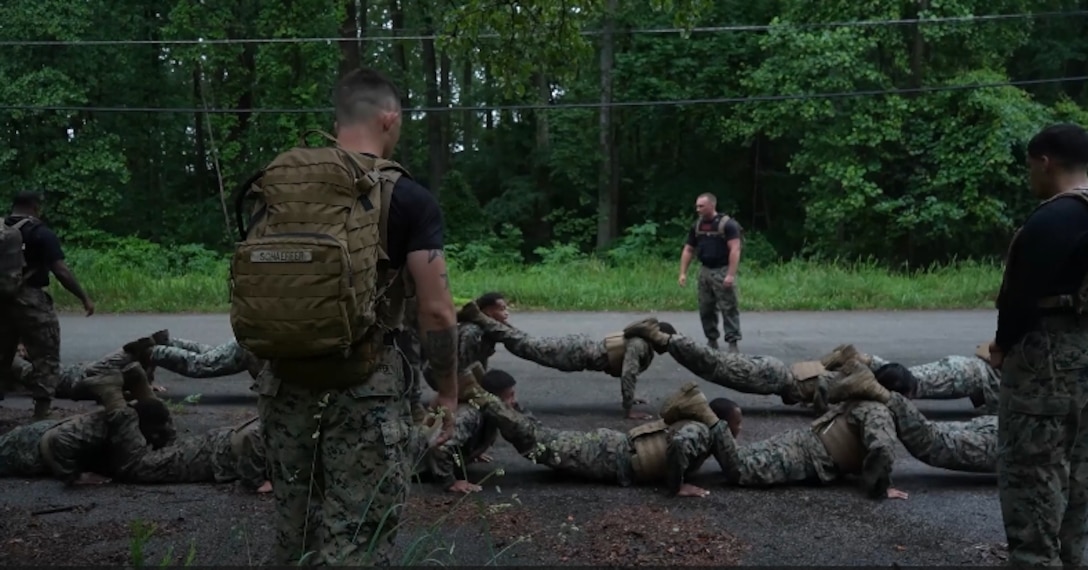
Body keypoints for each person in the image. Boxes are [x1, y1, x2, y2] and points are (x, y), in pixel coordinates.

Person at [248, 68, 460, 566]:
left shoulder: (278, 190)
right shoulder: (407, 197)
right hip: (366, 390)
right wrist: (448, 389)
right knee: (358, 540)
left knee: (294, 535)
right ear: (390, 118)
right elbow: (435, 307)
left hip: (285, 387)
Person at [988, 123, 1088, 567]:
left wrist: (1002, 346)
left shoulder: (1051, 219)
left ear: (1045, 162)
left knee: (1032, 480)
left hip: (1043, 367)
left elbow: (1020, 296)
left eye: (1031, 167)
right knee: (1078, 479)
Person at [468, 379, 742, 493]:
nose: (738, 430)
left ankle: (492, 401)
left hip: (610, 449)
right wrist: (678, 486)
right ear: (722, 421)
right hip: (610, 456)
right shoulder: (702, 431)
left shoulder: (702, 426)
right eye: (736, 424)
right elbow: (681, 444)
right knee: (537, 442)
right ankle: (479, 395)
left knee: (543, 437)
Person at [459, 302, 667, 419]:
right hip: (575, 354)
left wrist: (633, 396)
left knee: (524, 341)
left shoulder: (641, 340)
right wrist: (629, 407)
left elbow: (625, 370)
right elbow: (628, 372)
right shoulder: (640, 345)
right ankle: (478, 317)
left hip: (579, 348)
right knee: (523, 343)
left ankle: (486, 322)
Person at [0, 191, 94, 419]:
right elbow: (61, 270)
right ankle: (41, 412)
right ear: (34, 207)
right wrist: (83, 297)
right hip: (30, 300)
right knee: (46, 355)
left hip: (1, 301)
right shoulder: (40, 233)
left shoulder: (2, 230)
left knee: (2, 355)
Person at [622, 317, 851, 410]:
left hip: (774, 371)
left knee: (716, 364)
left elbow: (818, 379)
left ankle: (667, 338)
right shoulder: (832, 383)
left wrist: (815, 406)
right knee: (716, 364)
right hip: (771, 374)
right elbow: (819, 383)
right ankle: (666, 337)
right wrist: (820, 409)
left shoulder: (827, 379)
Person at [0, 367, 174, 485]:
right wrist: (75, 476)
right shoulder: (103, 427)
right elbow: (57, 440)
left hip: (51, 433)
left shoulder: (134, 423)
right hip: (30, 446)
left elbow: (163, 430)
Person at [832, 362, 997, 474]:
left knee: (937, 437)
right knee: (937, 440)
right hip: (1015, 428)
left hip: (1011, 419)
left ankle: (875, 378)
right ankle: (882, 392)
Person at [422, 369, 517, 494]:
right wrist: (451, 482)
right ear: (494, 399)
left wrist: (470, 450)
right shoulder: (470, 415)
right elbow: (438, 447)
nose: (514, 401)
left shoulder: (488, 413)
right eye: (509, 396)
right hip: (417, 467)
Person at [7, 333, 166, 402]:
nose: (22, 352)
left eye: (23, 348)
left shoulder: (34, 363)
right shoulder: (24, 366)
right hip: (70, 380)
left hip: (69, 377)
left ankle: (129, 353)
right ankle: (129, 353)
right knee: (100, 370)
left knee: (98, 370)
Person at [677, 193, 742, 353]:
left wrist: (730, 274)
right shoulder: (697, 226)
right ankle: (711, 340)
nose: (697, 209)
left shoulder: (728, 225)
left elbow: (735, 249)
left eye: (701, 206)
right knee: (705, 307)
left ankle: (732, 342)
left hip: (722, 269)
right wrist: (683, 273)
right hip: (705, 270)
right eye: (697, 206)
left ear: (711, 206)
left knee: (728, 307)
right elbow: (688, 249)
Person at [861, 343, 1000, 414]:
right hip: (985, 373)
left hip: (994, 380)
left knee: (913, 381)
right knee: (910, 382)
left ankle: (867, 363)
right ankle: (865, 363)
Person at [144, 336, 265, 380]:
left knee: (209, 356)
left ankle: (166, 343)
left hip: (255, 341)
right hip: (253, 346)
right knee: (203, 364)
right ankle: (149, 351)